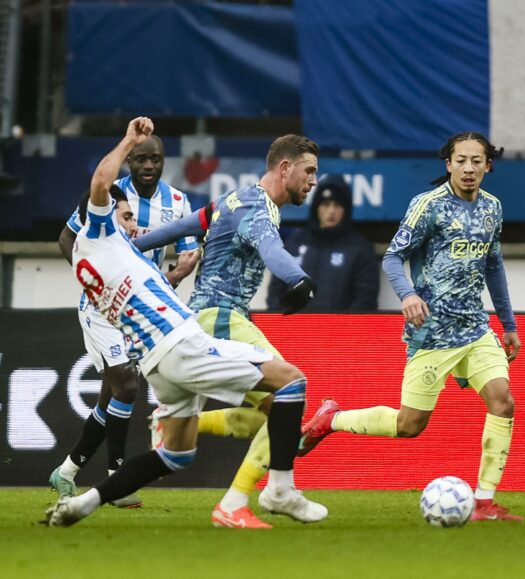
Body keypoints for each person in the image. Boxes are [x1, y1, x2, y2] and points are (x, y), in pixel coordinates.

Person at [44, 117, 326, 528]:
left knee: (177, 454)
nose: (132, 222)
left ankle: (82, 504)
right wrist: (127, 142)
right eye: (123, 215)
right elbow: (102, 183)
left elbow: (180, 230)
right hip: (183, 341)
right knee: (291, 383)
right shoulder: (104, 236)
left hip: (159, 363)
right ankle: (278, 489)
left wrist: (168, 269)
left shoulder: (102, 261)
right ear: (100, 217)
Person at [298, 132, 525, 522]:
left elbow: (493, 265)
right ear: (448, 164)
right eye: (461, 161)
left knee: (503, 402)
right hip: (432, 333)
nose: (468, 168)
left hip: (474, 329)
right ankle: (331, 419)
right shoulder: (428, 206)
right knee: (409, 425)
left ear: (488, 165)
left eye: (476, 161)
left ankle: (484, 502)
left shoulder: (492, 208)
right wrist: (406, 295)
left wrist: (507, 323)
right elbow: (392, 257)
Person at [133, 133, 322, 529]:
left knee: (266, 419)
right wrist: (300, 280)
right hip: (221, 317)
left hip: (211, 317)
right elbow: (272, 250)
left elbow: (183, 226)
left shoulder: (232, 200)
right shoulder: (259, 208)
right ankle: (249, 498)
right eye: (309, 172)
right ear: (284, 168)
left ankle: (174, 427)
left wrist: (131, 249)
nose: (312, 182)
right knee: (290, 392)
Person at [49, 132, 200, 508]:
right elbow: (66, 238)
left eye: (155, 159)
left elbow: (187, 252)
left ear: (164, 161)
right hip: (102, 308)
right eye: (140, 159)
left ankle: (66, 471)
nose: (148, 166)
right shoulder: (110, 195)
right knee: (128, 388)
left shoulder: (177, 202)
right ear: (130, 161)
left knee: (112, 398)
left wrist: (178, 274)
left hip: (140, 311)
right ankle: (117, 479)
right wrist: (91, 277)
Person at [265, 173, 379, 312]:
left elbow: (365, 301)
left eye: (337, 205)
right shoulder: (296, 241)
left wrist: (342, 330)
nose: (331, 211)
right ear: (316, 208)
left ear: (346, 209)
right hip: (294, 331)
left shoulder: (360, 248)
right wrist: (282, 325)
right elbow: (276, 292)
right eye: (325, 204)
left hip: (340, 332)